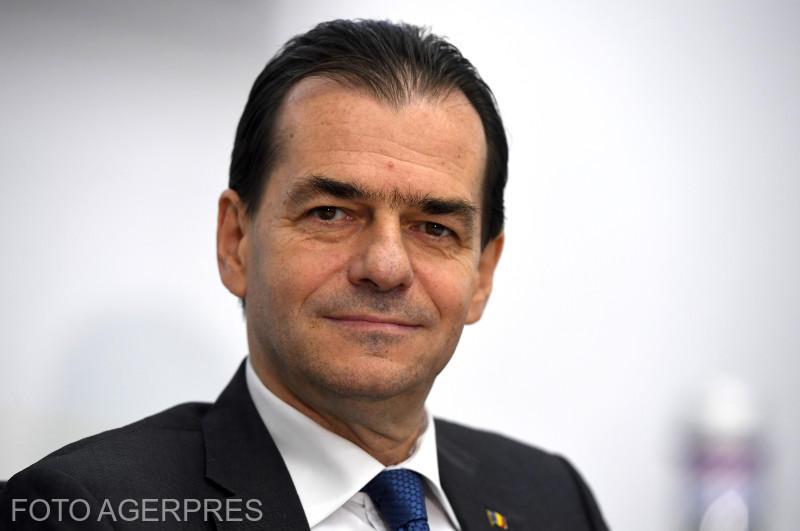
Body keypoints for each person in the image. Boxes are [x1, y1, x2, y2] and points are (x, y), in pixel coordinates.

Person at [0, 19, 608, 530]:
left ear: (482, 273)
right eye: (331, 213)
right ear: (236, 242)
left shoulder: (554, 500)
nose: (386, 267)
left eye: (433, 227)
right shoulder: (82, 510)